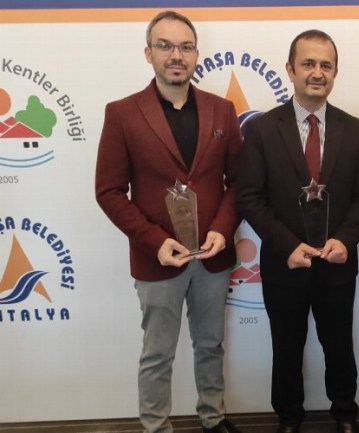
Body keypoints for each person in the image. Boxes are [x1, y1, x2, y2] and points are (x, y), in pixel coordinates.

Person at [95, 11, 243, 433]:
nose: (176, 55)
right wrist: (154, 241)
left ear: (196, 54)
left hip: (212, 256)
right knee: (157, 354)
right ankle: (156, 426)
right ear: (149, 53)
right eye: (165, 46)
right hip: (157, 258)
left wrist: (222, 229)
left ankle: (213, 417)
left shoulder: (222, 110)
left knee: (211, 344)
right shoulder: (122, 113)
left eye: (185, 47)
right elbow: (108, 192)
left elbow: (239, 183)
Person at [236, 30, 359, 433]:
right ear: (290, 69)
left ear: (335, 72)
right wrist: (287, 245)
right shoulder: (262, 130)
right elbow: (249, 197)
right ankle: (289, 418)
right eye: (309, 64)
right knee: (286, 348)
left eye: (326, 65)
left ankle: (345, 414)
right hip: (285, 265)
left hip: (336, 263)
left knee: (340, 345)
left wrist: (345, 240)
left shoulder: (354, 129)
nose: (318, 73)